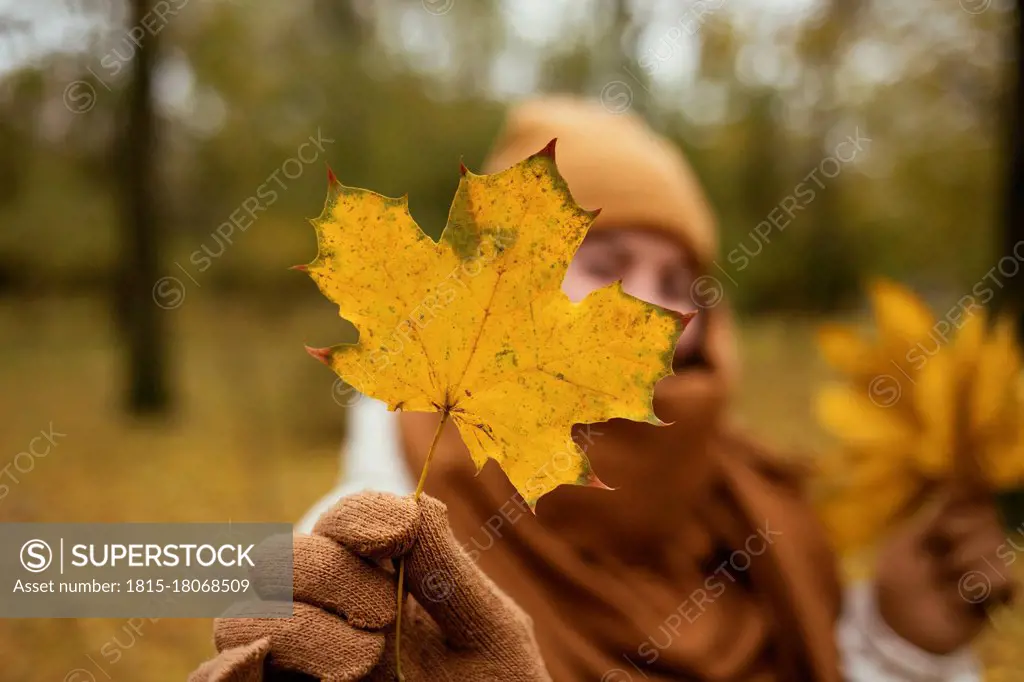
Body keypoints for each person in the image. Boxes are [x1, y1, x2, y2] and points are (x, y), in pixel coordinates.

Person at [191, 97, 1015, 681]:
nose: (658, 304)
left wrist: (902, 651)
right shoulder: (375, 545)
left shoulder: (775, 530)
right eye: (609, 265)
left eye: (680, 277)